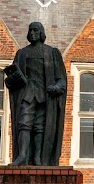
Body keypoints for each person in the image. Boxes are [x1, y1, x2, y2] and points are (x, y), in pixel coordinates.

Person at [4, 22, 67, 165]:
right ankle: (23, 155)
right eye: (30, 30)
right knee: (24, 124)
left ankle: (38, 157)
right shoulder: (22, 53)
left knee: (40, 126)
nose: (32, 33)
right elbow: (12, 77)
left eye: (35, 30)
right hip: (27, 95)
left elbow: (61, 79)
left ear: (41, 33)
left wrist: (56, 87)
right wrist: (12, 79)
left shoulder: (51, 52)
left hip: (45, 96)